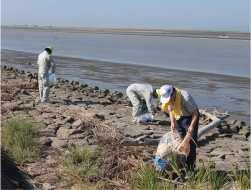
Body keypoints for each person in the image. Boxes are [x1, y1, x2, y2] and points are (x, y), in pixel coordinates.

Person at [159, 85, 199, 171]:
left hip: (190, 117)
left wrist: (192, 126)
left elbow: (195, 113)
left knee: (190, 143)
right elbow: (171, 110)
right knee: (178, 142)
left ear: (173, 93)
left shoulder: (186, 98)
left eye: (169, 98)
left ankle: (190, 169)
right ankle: (179, 164)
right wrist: (172, 122)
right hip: (178, 116)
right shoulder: (170, 99)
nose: (168, 101)